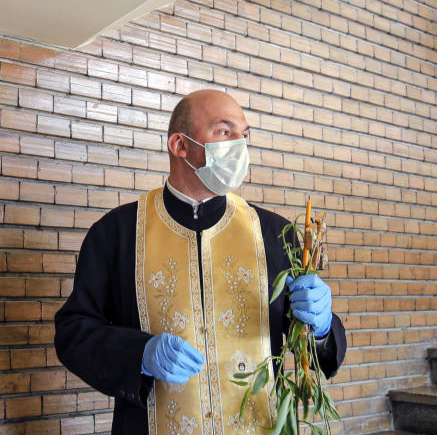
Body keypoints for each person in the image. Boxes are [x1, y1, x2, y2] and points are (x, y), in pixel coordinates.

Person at [54, 89, 345, 434]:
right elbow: (73, 333)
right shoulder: (116, 234)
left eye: (244, 135)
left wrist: (323, 328)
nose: (239, 145)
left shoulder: (275, 234)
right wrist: (140, 354)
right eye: (224, 132)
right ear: (180, 145)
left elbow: (313, 356)